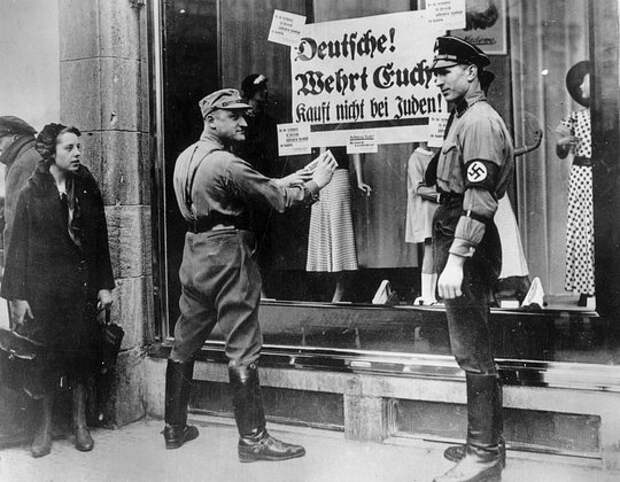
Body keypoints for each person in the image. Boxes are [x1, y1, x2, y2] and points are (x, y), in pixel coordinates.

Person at [165, 88, 337, 462]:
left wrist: (289, 177)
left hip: (194, 253)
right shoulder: (227, 163)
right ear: (212, 120)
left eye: (244, 114)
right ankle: (253, 440)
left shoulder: (186, 157)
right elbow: (276, 198)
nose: (244, 121)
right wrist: (315, 184)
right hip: (227, 255)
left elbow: (246, 186)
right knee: (242, 344)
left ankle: (174, 428)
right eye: (234, 115)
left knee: (184, 340)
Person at [1, 123, 115, 458]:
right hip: (44, 291)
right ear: (51, 153)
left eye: (78, 147)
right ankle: (44, 428)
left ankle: (80, 424)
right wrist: (18, 296)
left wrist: (104, 286)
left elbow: (99, 238)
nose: (77, 153)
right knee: (44, 359)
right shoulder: (32, 190)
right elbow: (18, 245)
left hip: (80, 288)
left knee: (81, 355)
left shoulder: (86, 185)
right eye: (69, 148)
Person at [429, 35, 514, 482]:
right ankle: (486, 444)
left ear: (470, 71)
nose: (438, 81)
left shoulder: (478, 121)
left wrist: (457, 258)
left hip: (466, 235)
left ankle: (483, 456)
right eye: (436, 73)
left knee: (472, 348)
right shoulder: (463, 116)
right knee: (471, 344)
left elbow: (479, 200)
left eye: (445, 72)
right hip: (455, 226)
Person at [306, 146, 370, 302]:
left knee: (339, 230)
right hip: (317, 175)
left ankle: (341, 288)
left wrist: (360, 180)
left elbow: (355, 144)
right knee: (321, 230)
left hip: (337, 174)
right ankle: (328, 288)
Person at [555, 61, 594, 308]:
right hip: (581, 175)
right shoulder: (575, 117)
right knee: (581, 231)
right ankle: (584, 287)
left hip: (602, 175)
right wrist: (562, 143)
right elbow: (561, 150)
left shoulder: (611, 115)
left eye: (585, 82)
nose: (581, 87)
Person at [0, 116, 40, 266]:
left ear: (15, 138)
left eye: (0, 140)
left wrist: (11, 266)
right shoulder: (35, 155)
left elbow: (15, 220)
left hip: (25, 259)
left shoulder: (21, 165)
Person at [405, 142, 440, 305]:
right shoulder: (415, 158)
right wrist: (439, 195)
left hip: (436, 208)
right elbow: (418, 187)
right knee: (430, 249)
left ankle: (431, 295)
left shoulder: (435, 155)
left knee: (434, 250)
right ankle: (427, 295)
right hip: (425, 209)